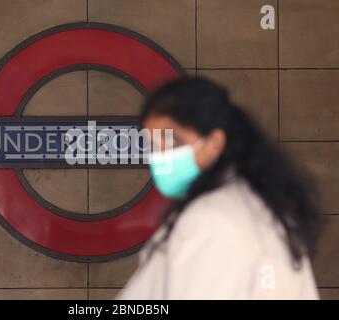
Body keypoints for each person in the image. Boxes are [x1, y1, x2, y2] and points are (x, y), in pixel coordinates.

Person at [116, 77, 323, 300]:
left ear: (214, 142)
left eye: (174, 140)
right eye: (154, 145)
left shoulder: (213, 219)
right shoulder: (257, 208)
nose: (162, 155)